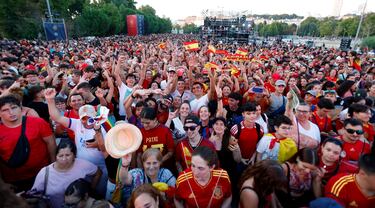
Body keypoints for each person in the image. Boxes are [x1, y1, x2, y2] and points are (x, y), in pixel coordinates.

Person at [45, 88, 108, 196]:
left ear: (94, 117)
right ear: (80, 118)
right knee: (83, 193)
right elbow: (57, 117)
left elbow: (107, 149)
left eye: (90, 118)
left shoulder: (100, 127)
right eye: (83, 118)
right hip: (82, 167)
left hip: (101, 167)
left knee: (99, 193)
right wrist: (50, 100)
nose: (86, 121)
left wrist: (98, 143)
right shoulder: (76, 123)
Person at [0, 95, 56, 192]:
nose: (11, 112)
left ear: (20, 108)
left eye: (14, 108)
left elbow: (51, 143)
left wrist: (53, 166)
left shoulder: (38, 122)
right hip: (12, 180)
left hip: (41, 174)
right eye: (5, 110)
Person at [30, 139, 102, 208]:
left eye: (67, 155)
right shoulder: (45, 173)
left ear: (74, 155)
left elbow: (98, 172)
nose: (64, 159)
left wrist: (91, 190)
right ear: (56, 157)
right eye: (60, 156)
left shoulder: (82, 165)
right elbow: (33, 196)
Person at [230, 102, 263, 168]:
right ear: (243, 114)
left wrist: (254, 156)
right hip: (237, 161)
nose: (252, 116)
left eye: (253, 113)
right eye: (248, 113)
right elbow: (231, 146)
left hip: (252, 161)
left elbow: (259, 145)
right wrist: (240, 158)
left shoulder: (260, 129)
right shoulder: (235, 129)